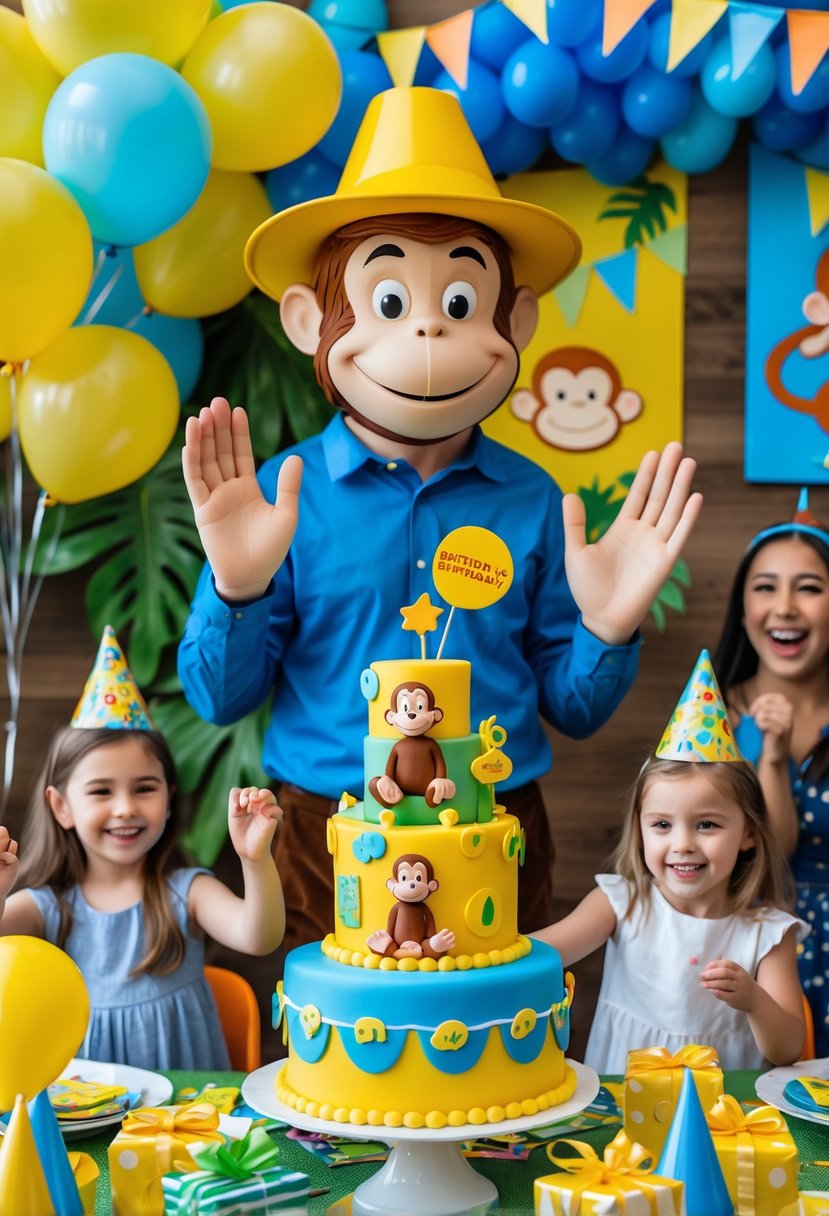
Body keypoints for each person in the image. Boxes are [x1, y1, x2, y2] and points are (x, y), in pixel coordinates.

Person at [178, 86, 702, 949]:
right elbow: (221, 698)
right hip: (323, 831)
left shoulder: (533, 501)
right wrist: (235, 590)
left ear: (515, 321)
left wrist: (607, 628)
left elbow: (570, 710)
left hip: (495, 824)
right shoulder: (276, 496)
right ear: (313, 323)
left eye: (457, 302)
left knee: (494, 1051)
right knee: (341, 1069)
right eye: (390, 301)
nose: (425, 332)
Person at [0, 627, 285, 1071]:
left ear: (169, 797)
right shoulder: (43, 908)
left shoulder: (187, 892)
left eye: (144, 788)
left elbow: (259, 936)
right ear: (61, 806)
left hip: (187, 1116)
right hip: (86, 1118)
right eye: (100, 791)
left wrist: (254, 859)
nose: (126, 808)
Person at [532, 651, 806, 1072]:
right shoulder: (620, 902)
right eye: (661, 824)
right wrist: (468, 956)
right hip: (627, 1108)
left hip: (725, 1116)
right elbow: (544, 952)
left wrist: (753, 1000)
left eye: (707, 825)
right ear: (639, 829)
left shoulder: (767, 934)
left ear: (749, 834)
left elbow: (787, 1049)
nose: (682, 844)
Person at [713, 490, 829, 1056]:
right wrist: (773, 758)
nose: (784, 607)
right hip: (752, 955)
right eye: (766, 587)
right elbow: (769, 852)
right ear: (742, 610)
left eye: (809, 588)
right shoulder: (709, 718)